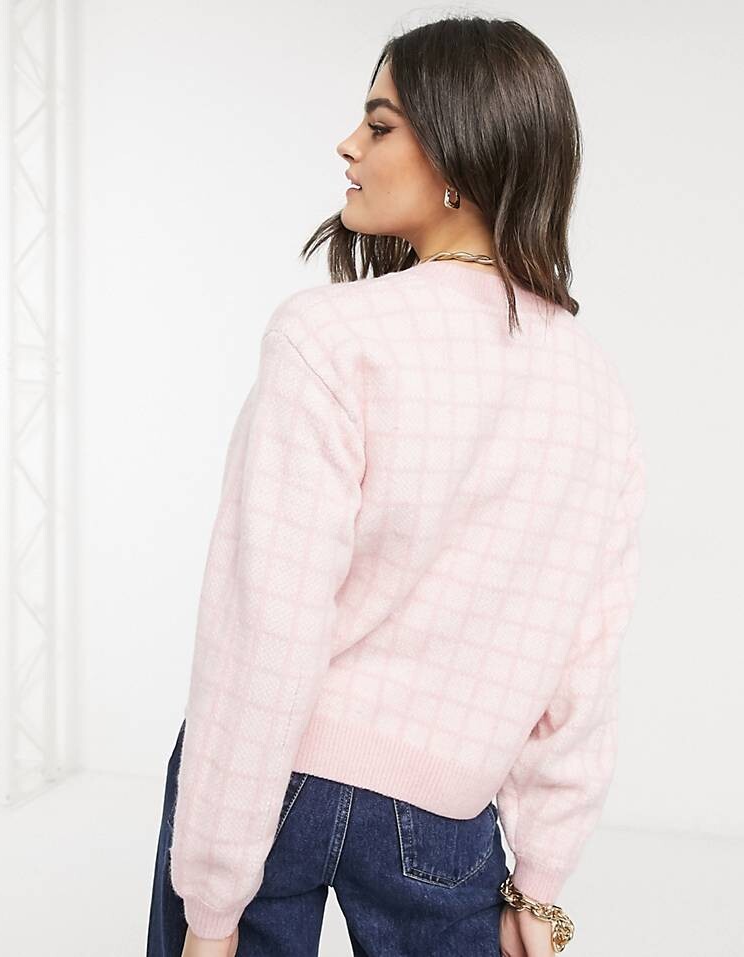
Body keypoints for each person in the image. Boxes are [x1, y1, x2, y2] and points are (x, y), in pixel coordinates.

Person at [146, 15, 647, 957]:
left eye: (379, 125)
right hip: (444, 813)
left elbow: (266, 621)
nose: (348, 144)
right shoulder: (594, 386)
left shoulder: (329, 338)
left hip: (276, 780)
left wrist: (212, 900)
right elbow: (583, 665)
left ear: (459, 155)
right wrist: (540, 881)